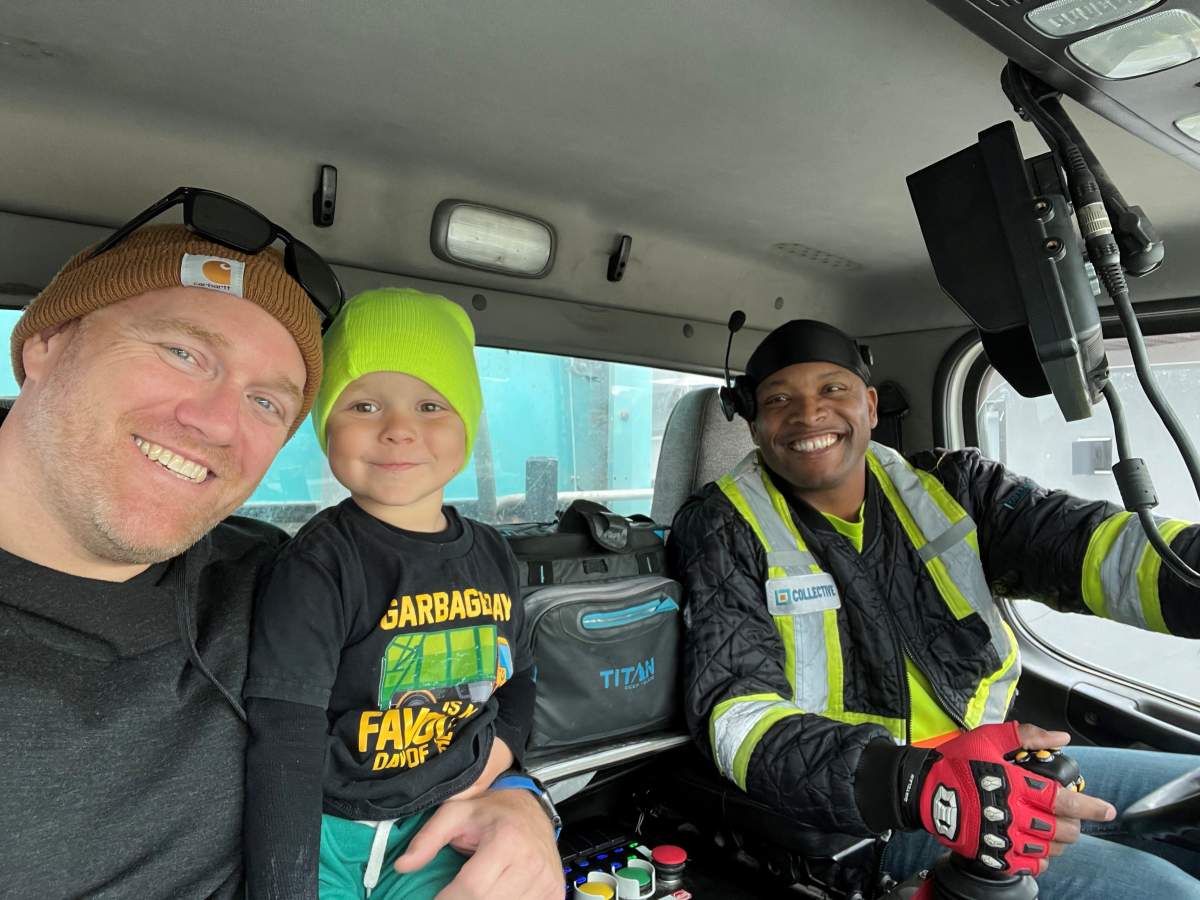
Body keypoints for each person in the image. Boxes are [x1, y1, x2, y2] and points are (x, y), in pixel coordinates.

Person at [0, 189, 558, 899]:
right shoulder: (319, 567)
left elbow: (489, 689)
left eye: (267, 401)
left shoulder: (265, 567)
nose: (216, 423)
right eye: (184, 352)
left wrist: (520, 801)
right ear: (45, 341)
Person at [666, 318, 1200, 899]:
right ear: (755, 425)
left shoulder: (952, 485)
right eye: (778, 399)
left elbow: (1089, 548)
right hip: (869, 813)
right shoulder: (722, 526)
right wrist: (915, 784)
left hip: (996, 755)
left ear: (869, 405)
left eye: (832, 389)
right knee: (1161, 889)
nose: (808, 414)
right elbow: (737, 715)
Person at [243, 287, 556, 900]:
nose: (398, 431)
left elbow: (517, 678)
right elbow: (283, 733)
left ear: (468, 423)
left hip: (449, 818)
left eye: (431, 406)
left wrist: (497, 763)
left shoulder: (492, 552)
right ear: (323, 425)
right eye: (362, 405)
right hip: (330, 831)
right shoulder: (321, 562)